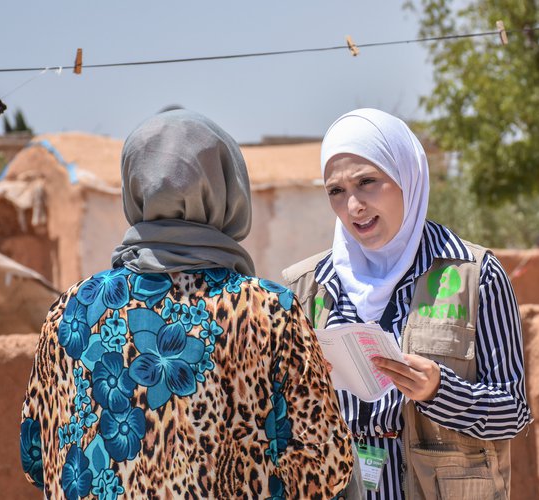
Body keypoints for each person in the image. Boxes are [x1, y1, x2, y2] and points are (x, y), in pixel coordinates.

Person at [20, 110, 353, 499]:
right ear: (228, 188)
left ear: (135, 187)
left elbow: (35, 458)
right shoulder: (269, 312)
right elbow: (328, 464)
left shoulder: (70, 310)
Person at [282, 108, 531, 499]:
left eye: (367, 182)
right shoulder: (306, 287)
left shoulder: (474, 275)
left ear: (406, 177)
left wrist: (438, 391)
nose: (353, 206)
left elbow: (513, 414)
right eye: (336, 191)